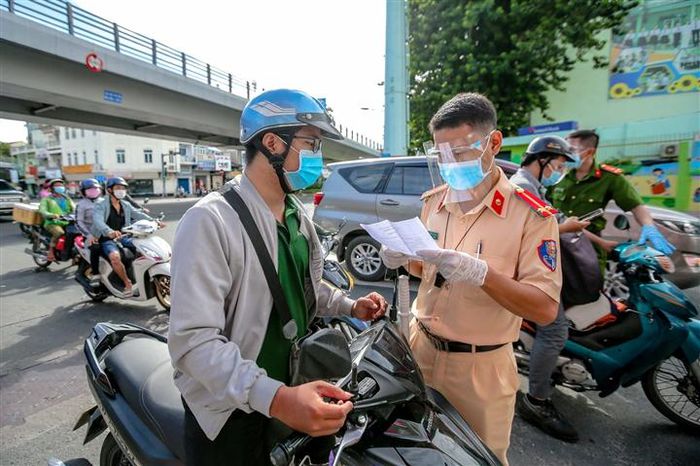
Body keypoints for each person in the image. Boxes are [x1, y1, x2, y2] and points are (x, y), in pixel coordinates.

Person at [168, 89, 388, 466]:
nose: (318, 157)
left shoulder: (296, 214)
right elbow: (193, 344)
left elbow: (305, 287)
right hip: (231, 413)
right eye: (311, 143)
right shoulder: (210, 221)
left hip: (292, 391)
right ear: (272, 142)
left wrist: (351, 305)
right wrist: (276, 398)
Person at [380, 93, 561, 465]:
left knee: (480, 458)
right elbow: (427, 269)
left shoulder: (531, 216)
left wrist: (483, 275)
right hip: (420, 350)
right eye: (441, 156)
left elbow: (544, 310)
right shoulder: (434, 201)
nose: (450, 165)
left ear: (493, 143)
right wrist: (404, 258)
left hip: (480, 369)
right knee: (413, 452)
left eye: (460, 154)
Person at [510, 136, 592, 442]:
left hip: (539, 267)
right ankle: (536, 400)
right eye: (557, 165)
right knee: (555, 328)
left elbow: (548, 220)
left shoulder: (535, 187)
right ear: (541, 160)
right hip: (526, 272)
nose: (559, 170)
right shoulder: (523, 186)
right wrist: (565, 227)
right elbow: (529, 231)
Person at [548, 129, 675, 272]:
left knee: (588, 289)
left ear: (590, 152)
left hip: (588, 246)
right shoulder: (557, 174)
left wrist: (649, 226)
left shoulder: (609, 177)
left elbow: (635, 205)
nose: (566, 154)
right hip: (555, 242)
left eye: (571, 150)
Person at [92, 177, 157, 297]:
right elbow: (97, 220)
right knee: (115, 257)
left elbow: (137, 214)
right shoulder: (100, 204)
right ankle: (127, 283)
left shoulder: (125, 204)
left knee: (146, 248)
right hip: (108, 239)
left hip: (124, 236)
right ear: (110, 190)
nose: (121, 191)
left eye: (123, 188)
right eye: (118, 188)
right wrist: (109, 231)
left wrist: (154, 221)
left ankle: (145, 277)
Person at [38, 179, 75, 262]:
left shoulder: (67, 198)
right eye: (57, 186)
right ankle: (51, 252)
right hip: (52, 222)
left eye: (61, 185)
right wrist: (51, 215)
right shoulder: (46, 199)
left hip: (66, 221)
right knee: (59, 233)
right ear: (52, 188)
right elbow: (42, 210)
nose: (60, 187)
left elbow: (74, 208)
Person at [75, 178, 103, 278]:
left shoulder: (104, 201)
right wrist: (89, 235)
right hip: (91, 235)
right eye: (90, 189)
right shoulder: (81, 204)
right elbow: (79, 222)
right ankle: (95, 273)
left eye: (95, 188)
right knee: (95, 248)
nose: (93, 190)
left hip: (106, 233)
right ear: (84, 191)